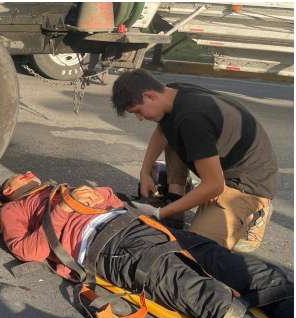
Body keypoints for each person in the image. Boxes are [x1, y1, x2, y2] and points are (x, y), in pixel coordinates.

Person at [0, 171, 293, 318]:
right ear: (9, 191)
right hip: (114, 247)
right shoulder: (15, 209)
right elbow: (27, 250)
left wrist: (94, 196)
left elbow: (114, 200)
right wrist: (62, 209)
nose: (24, 174)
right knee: (211, 299)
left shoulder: (60, 187)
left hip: (144, 227)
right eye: (15, 178)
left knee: (244, 268)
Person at [111, 69, 279, 253]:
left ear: (149, 95)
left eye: (138, 112)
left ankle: (254, 214)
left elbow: (214, 186)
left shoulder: (192, 118)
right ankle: (175, 203)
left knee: (196, 253)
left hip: (247, 185)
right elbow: (162, 131)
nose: (140, 118)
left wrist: (158, 213)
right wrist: (145, 172)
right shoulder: (171, 93)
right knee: (172, 129)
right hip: (224, 169)